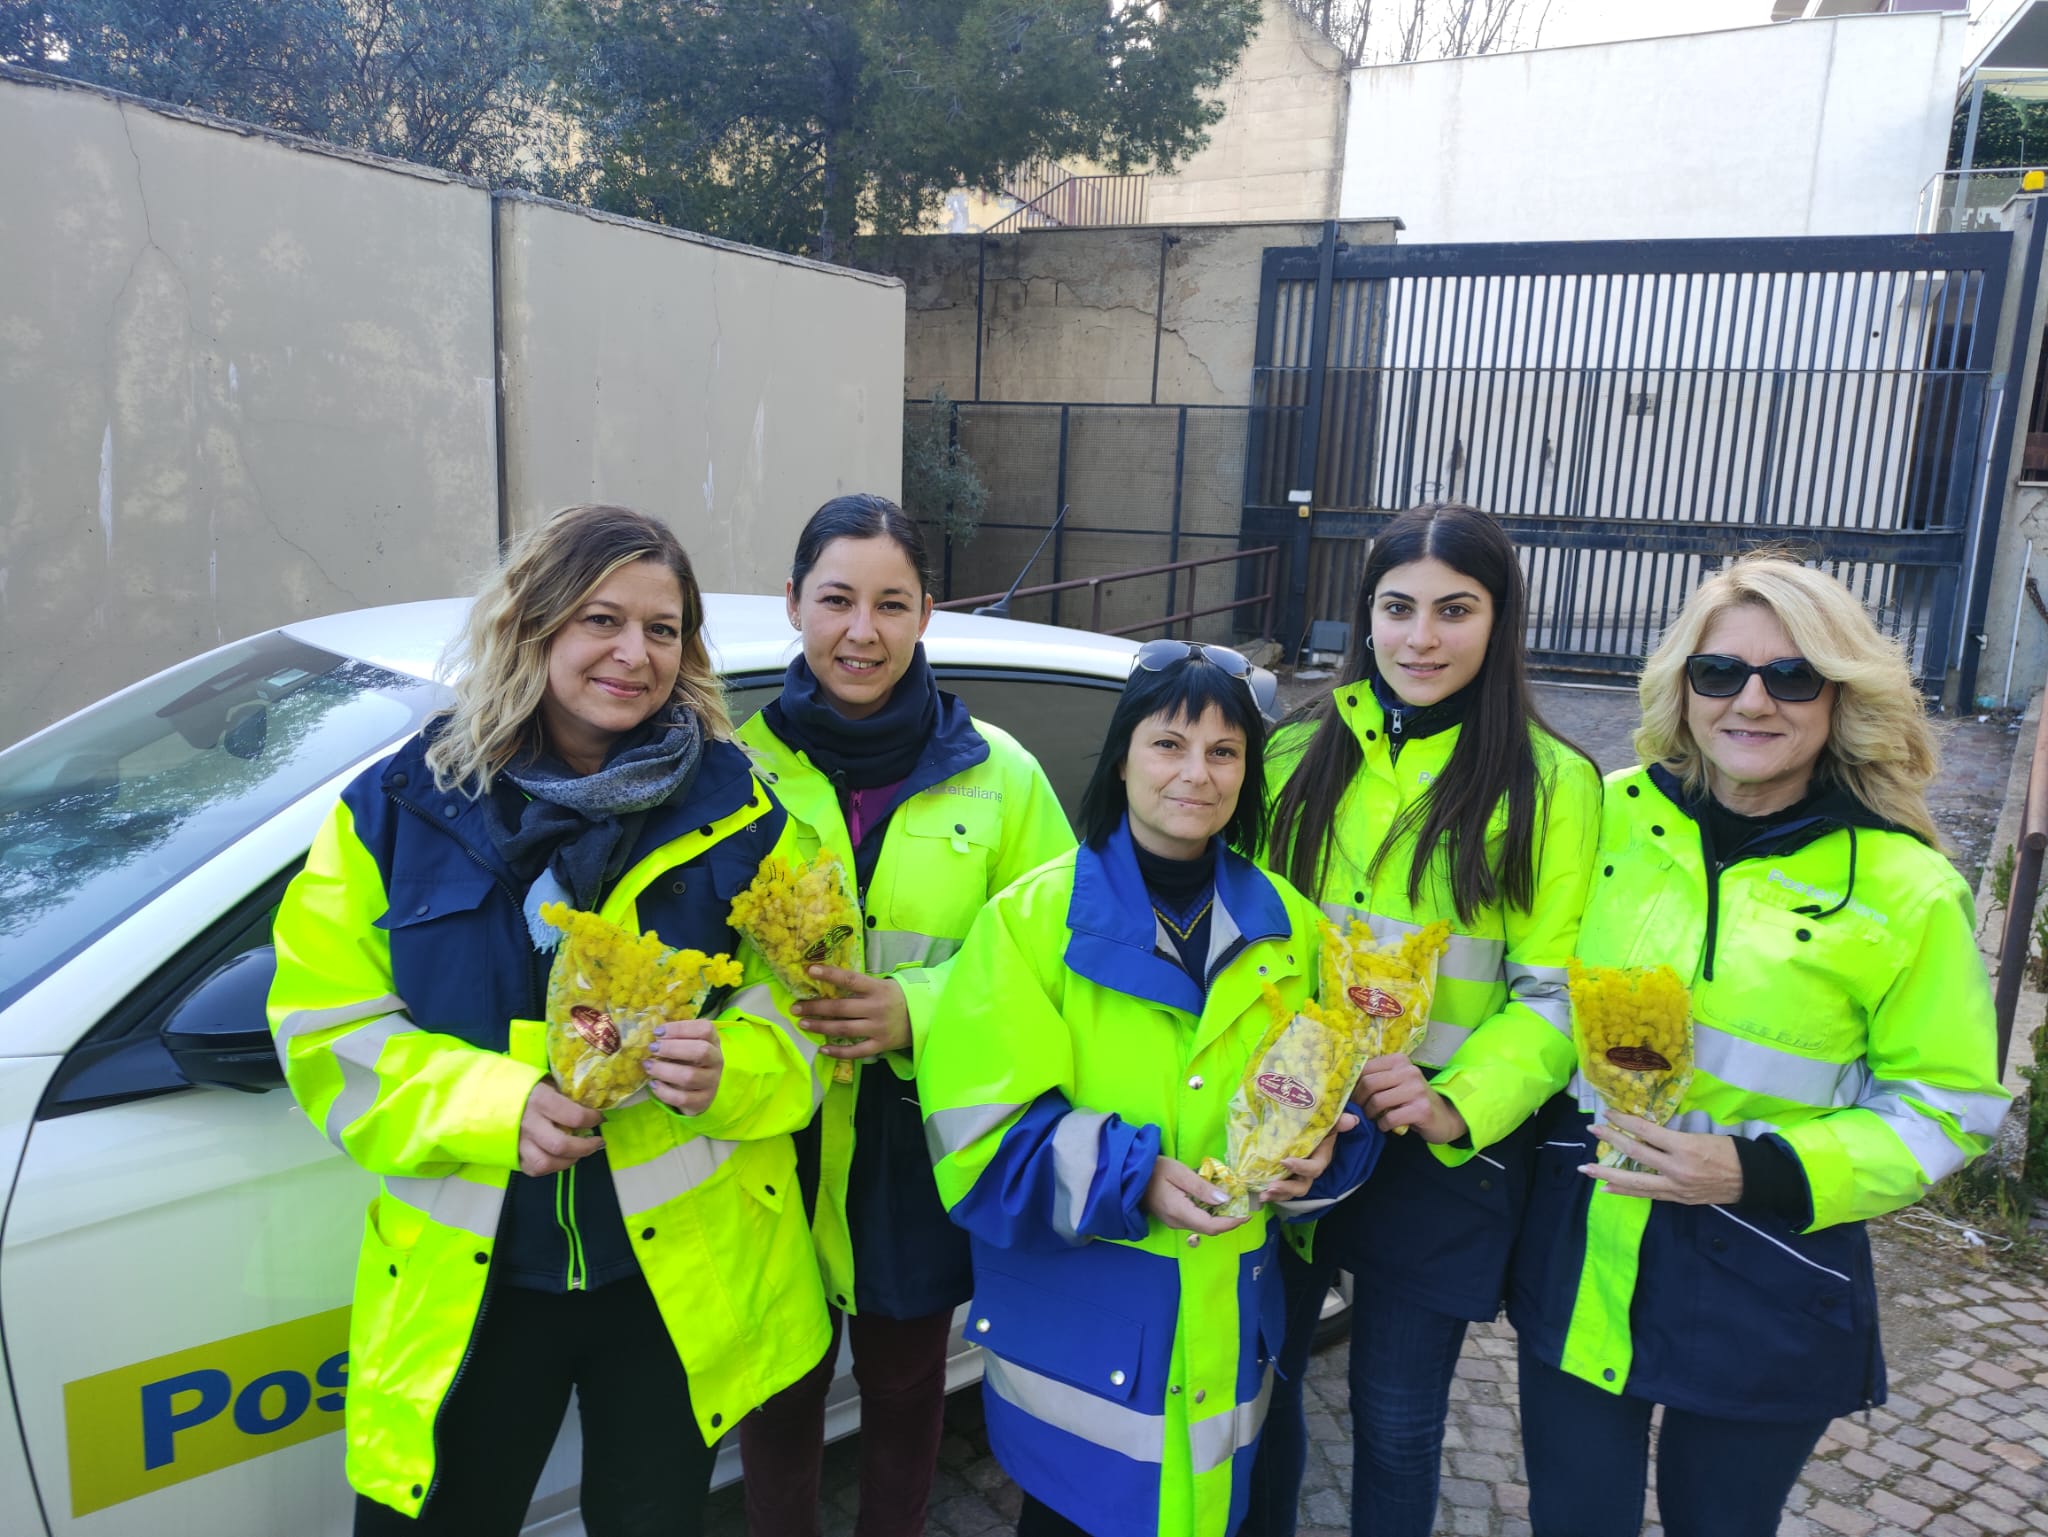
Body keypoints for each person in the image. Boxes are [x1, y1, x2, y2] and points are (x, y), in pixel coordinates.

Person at [267, 505, 829, 1535]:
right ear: (533, 626)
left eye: (662, 629)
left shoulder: (750, 817)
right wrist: (497, 1104)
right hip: (477, 1289)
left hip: (669, 1288)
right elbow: (322, 1028)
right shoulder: (394, 812)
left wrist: (734, 1067)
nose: (633, 653)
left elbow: (808, 1016)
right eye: (600, 619)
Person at [1507, 554, 2009, 1537]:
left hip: (1768, 1261)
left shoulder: (1904, 888)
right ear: (1679, 686)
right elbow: (1521, 982)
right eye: (1717, 672)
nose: (1750, 701)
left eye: (1788, 676)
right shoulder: (1603, 814)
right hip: (1588, 1239)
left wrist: (1749, 1168)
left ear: (1836, 696)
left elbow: (1947, 1104)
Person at [917, 641, 1385, 1537]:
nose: (1196, 774)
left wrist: (1326, 1154)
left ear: (1248, 774)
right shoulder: (1029, 920)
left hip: (1226, 1345)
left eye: (1224, 751)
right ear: (1124, 754)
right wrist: (1131, 1176)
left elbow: (1338, 1100)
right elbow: (976, 1134)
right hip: (1081, 1354)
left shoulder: (1295, 927)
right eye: (1169, 743)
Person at [1244, 503, 1602, 1537]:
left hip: (1441, 1156)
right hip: (1294, 1136)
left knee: (1396, 1420)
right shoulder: (1297, 753)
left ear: (1498, 622)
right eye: (1396, 608)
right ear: (1365, 617)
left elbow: (1549, 995)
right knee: (1261, 1398)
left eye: (1454, 610)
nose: (1420, 638)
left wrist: (1455, 1101)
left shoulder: (1550, 784)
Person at [734, 493, 1074, 1536]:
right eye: (835, 599)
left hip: (917, 1143)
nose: (860, 631)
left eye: (891, 603)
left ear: (926, 613)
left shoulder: (1002, 776)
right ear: (792, 604)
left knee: (901, 1391)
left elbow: (1055, 961)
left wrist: (919, 1009)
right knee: (778, 1396)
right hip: (768, 1135)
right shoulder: (731, 772)